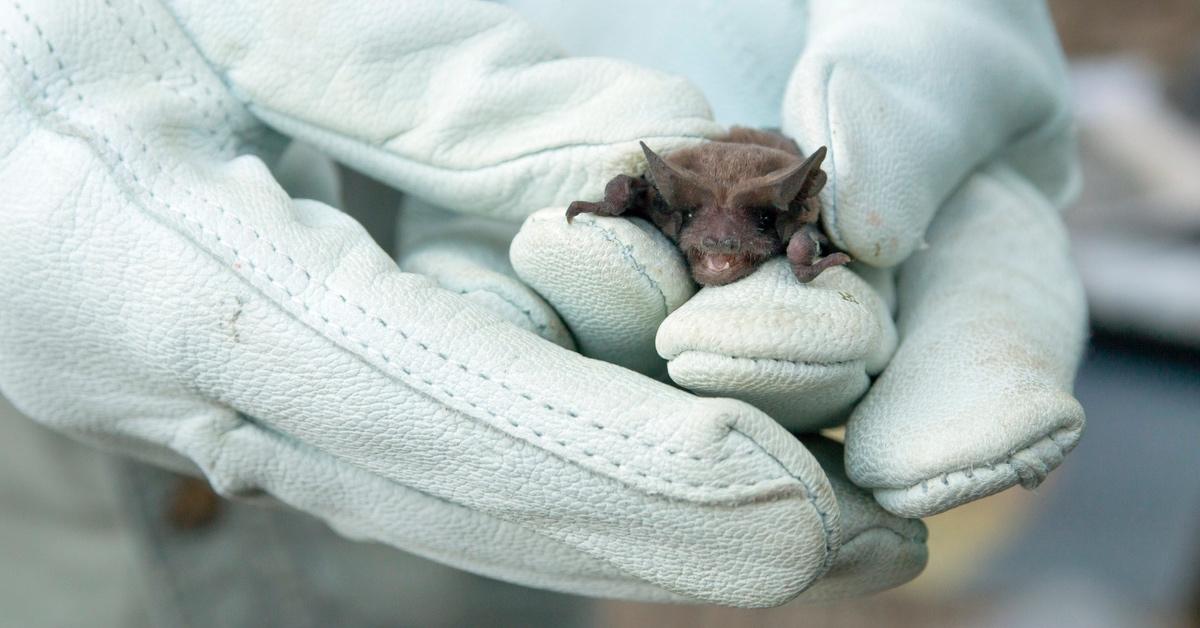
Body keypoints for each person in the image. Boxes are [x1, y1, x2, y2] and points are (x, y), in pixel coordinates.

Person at [0, 0, 1086, 620]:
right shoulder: (664, 197)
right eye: (700, 240)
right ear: (660, 208)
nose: (713, 255)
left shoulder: (779, 217)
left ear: (781, 230)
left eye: (734, 244)